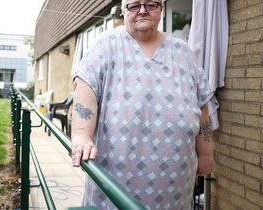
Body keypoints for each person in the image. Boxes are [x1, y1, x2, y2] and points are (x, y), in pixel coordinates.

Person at [71, 0, 214, 209]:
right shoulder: (105, 45)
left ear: (161, 9)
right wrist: (82, 135)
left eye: (151, 4)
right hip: (116, 181)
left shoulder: (183, 52)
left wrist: (206, 153)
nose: (143, 10)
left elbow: (202, 107)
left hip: (176, 187)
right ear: (123, 10)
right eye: (134, 5)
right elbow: (85, 91)